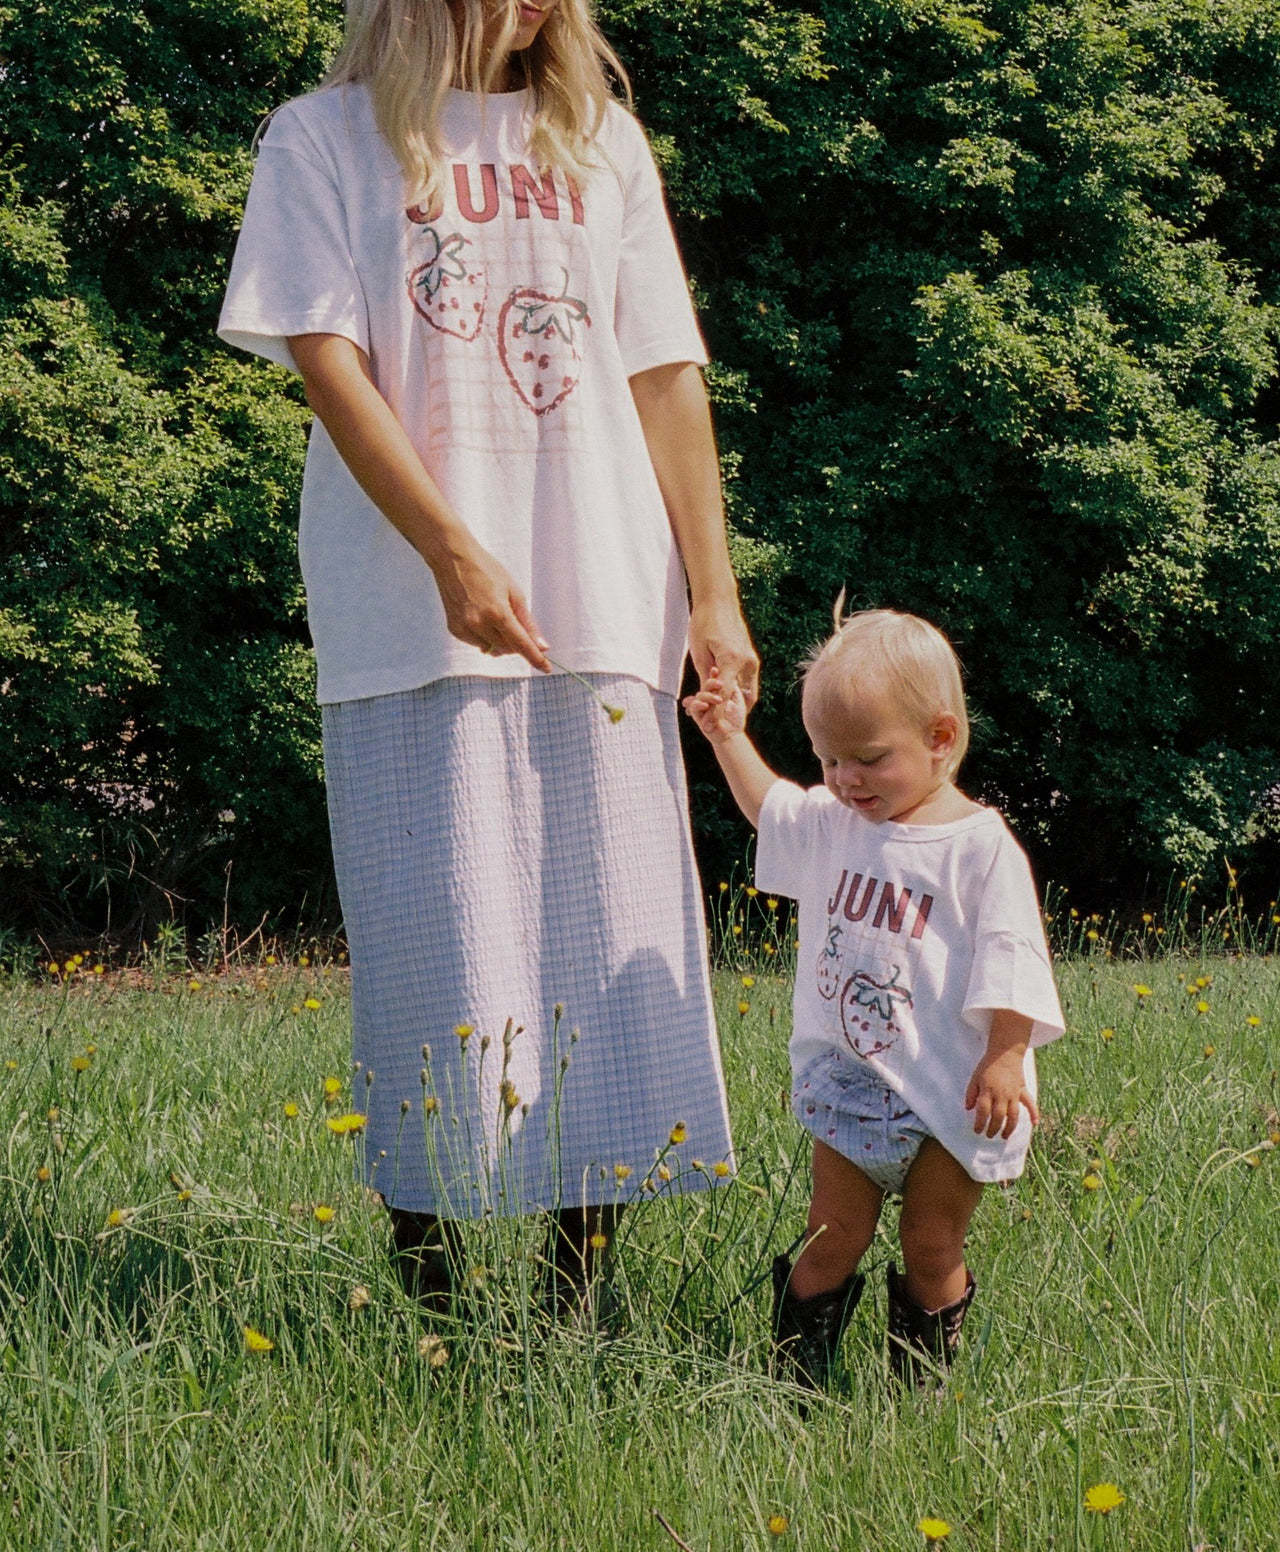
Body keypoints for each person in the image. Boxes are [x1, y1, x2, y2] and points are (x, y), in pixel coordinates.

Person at [218, 0, 757, 1312]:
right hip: (408, 614)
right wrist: (450, 550)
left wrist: (715, 596)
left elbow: (665, 372)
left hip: (604, 597)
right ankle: (437, 1301)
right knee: (435, 951)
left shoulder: (599, 140)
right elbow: (328, 361)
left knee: (607, 947)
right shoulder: (324, 139)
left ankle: (582, 1297)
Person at [684, 606, 1063, 1388]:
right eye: (828, 760)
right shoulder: (834, 824)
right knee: (833, 1235)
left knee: (931, 1244)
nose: (846, 779)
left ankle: (920, 1398)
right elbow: (769, 805)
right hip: (853, 1078)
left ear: (940, 738)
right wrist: (727, 734)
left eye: (868, 758)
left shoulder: (979, 847)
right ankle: (794, 1384)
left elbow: (1013, 954)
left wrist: (1007, 1053)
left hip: (954, 1089)